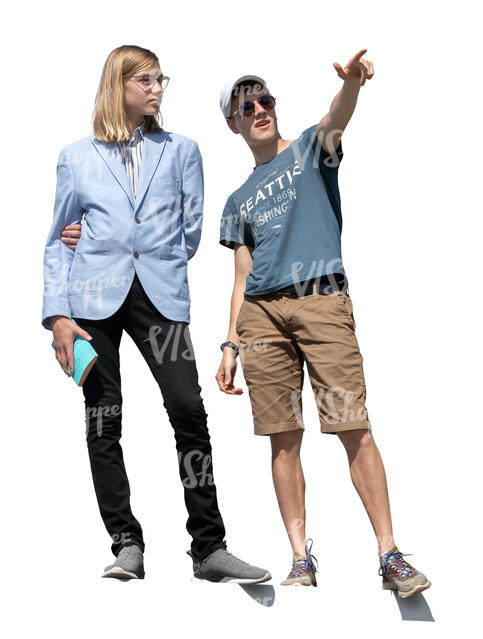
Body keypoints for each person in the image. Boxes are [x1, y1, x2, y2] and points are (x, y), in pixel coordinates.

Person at [42, 44, 271, 584]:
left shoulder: (183, 150)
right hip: (89, 304)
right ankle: (126, 542)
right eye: (144, 79)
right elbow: (57, 239)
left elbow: (189, 233)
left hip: (161, 298)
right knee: (103, 418)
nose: (156, 88)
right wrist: (57, 316)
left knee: (188, 409)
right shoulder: (76, 156)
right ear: (117, 85)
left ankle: (209, 547)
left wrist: (136, 247)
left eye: (160, 79)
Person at [215, 51, 431, 598]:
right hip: (262, 315)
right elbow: (242, 275)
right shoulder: (238, 199)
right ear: (233, 121)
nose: (259, 109)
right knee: (283, 440)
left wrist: (353, 85)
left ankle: (390, 555)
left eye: (265, 100)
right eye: (247, 105)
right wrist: (230, 343)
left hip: (321, 304)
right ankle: (300, 558)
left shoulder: (311, 149)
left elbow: (337, 118)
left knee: (351, 426)